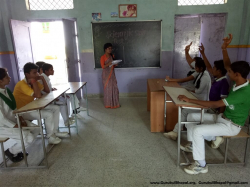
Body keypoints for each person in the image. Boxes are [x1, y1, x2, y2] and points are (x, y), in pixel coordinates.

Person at [178, 34, 250, 175]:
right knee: (192, 116)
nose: (227, 72)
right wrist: (224, 48)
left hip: (231, 126)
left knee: (198, 131)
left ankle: (201, 165)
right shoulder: (239, 81)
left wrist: (190, 99)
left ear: (237, 74)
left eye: (230, 72)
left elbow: (216, 103)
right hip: (223, 118)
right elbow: (229, 65)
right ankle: (194, 145)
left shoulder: (244, 92)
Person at [164, 43, 229, 141]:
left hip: (209, 107)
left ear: (219, 71)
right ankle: (187, 136)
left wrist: (220, 116)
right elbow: (197, 64)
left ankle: (213, 137)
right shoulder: (209, 75)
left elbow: (222, 102)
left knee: (186, 111)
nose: (212, 69)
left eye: (214, 68)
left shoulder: (212, 79)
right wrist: (198, 53)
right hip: (207, 105)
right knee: (187, 112)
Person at [13, 63, 68, 145]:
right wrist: (34, 81)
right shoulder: (22, 84)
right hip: (22, 112)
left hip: (31, 107)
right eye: (34, 73)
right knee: (48, 114)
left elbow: (47, 90)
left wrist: (42, 78)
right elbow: (38, 95)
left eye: (37, 72)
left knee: (56, 108)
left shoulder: (32, 81)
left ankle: (55, 131)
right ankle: (50, 137)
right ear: (27, 74)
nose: (36, 75)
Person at [164, 56, 211, 140]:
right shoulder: (200, 72)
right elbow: (190, 62)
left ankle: (175, 132)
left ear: (201, 68)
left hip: (201, 103)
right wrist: (186, 51)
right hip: (196, 98)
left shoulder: (205, 77)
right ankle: (180, 128)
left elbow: (198, 91)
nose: (195, 69)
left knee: (185, 110)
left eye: (196, 67)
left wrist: (187, 93)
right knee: (183, 107)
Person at [0, 68, 39, 162]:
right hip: (3, 126)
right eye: (6, 77)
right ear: (0, 80)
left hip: (13, 120)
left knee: (37, 128)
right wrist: (17, 126)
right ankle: (11, 151)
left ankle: (17, 149)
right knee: (29, 138)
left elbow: (14, 107)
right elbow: (1, 119)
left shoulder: (6, 91)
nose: (9, 78)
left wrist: (21, 119)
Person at [100, 43, 120, 109]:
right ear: (105, 49)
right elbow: (103, 66)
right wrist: (109, 63)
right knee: (108, 89)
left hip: (112, 75)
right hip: (106, 75)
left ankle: (115, 104)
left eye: (111, 48)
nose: (110, 50)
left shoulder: (112, 56)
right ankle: (108, 104)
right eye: (109, 48)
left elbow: (113, 65)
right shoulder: (102, 57)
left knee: (114, 88)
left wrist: (115, 64)